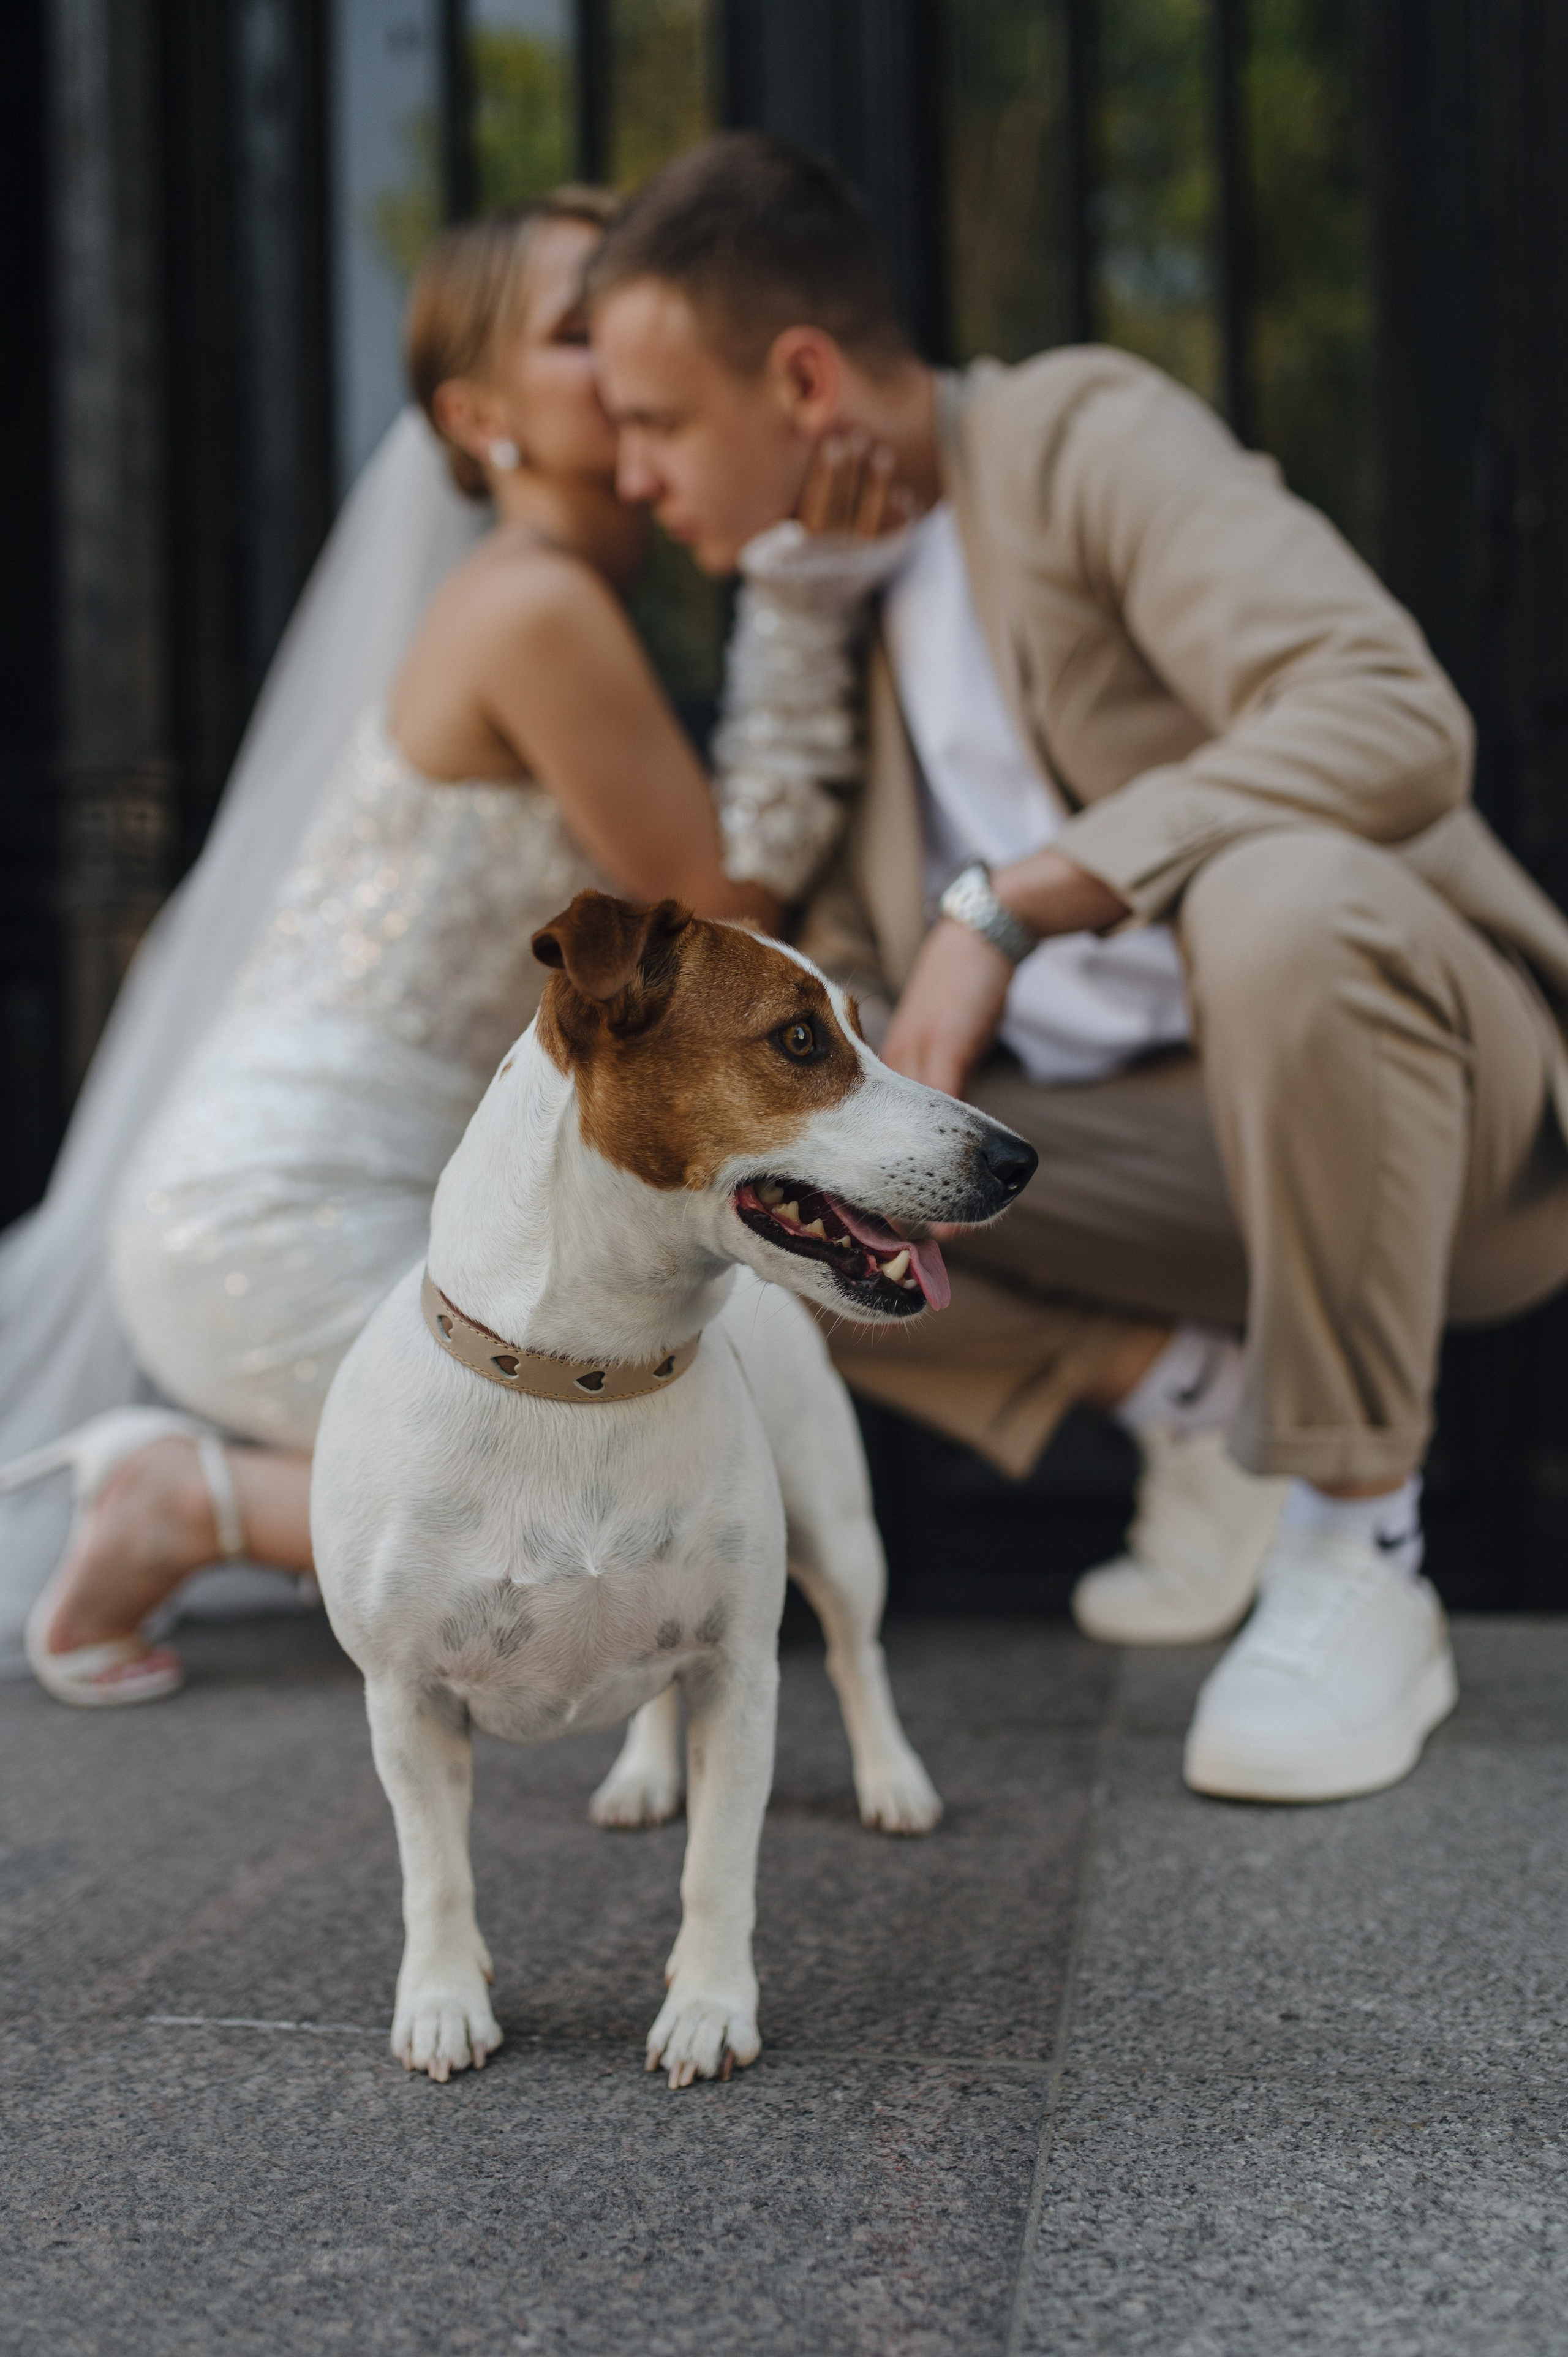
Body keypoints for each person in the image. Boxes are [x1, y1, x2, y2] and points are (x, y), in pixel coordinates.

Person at [586, 132, 1568, 1803]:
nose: (632, 476)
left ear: (805, 376)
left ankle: (1358, 1544)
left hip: (1448, 1135)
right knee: (746, 1168)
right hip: (1168, 1180)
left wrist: (1018, 905)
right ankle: (1212, 1404)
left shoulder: (1077, 435)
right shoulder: (843, 612)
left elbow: (1394, 715)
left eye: (656, 422)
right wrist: (804, 623)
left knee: (1282, 899)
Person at [0, 188, 901, 1705]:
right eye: (572, 329)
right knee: (610, 1453)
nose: (613, 356)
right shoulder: (535, 606)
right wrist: (805, 611)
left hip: (301, 1190)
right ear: (477, 416)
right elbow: (714, 910)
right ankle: (191, 1504)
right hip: (272, 1218)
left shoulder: (548, 597)